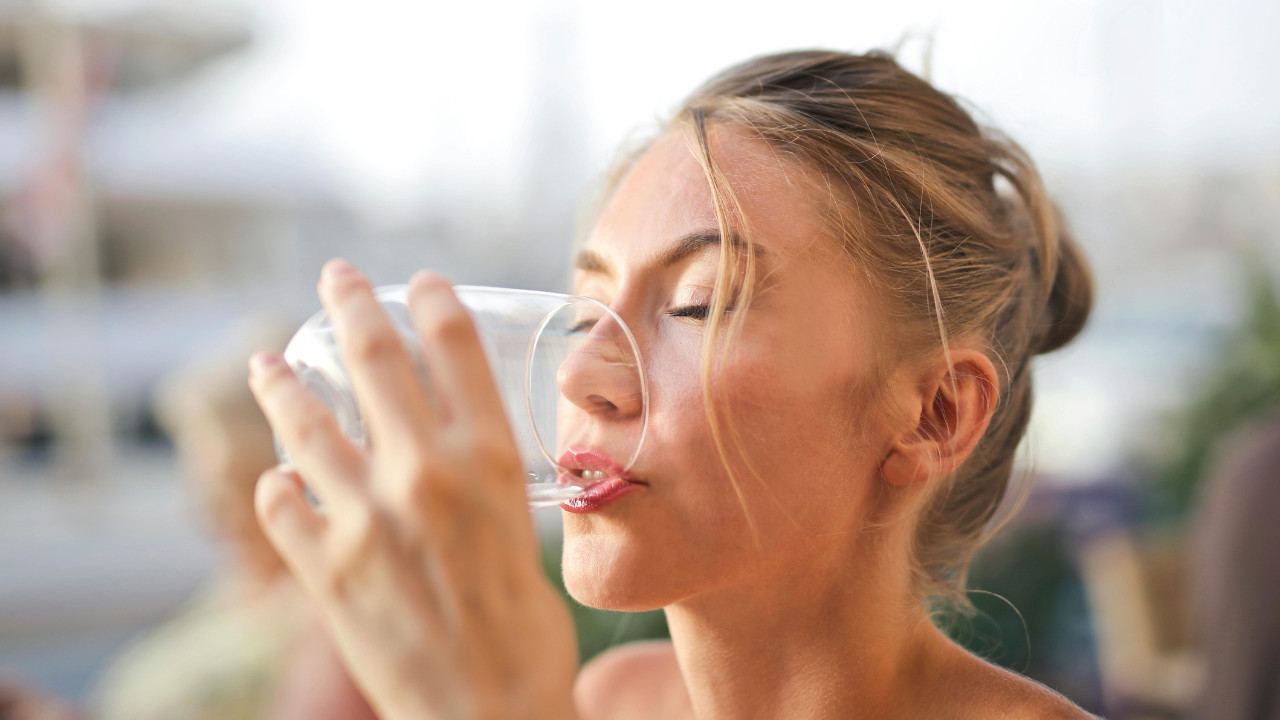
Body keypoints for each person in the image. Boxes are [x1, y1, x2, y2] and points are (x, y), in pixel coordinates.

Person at [247, 50, 1096, 719]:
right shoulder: (606, 701)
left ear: (933, 414)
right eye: (585, 314)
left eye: (698, 305)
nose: (580, 376)